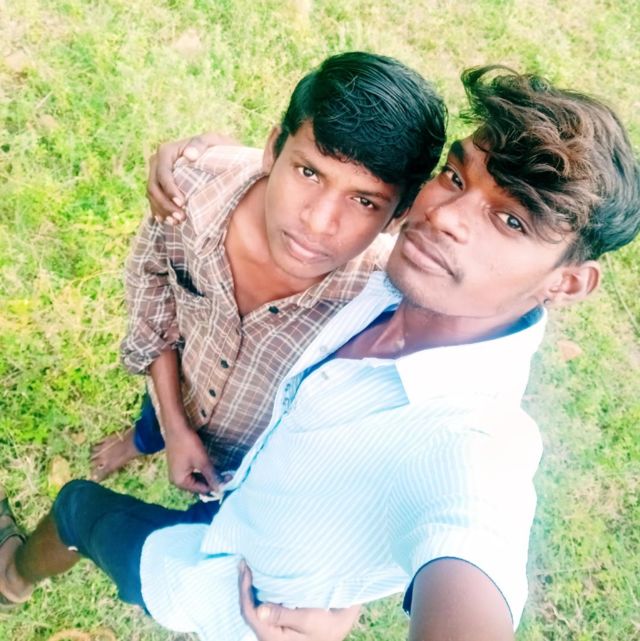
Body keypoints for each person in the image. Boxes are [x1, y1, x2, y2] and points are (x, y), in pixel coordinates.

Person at [1, 66, 639, 641]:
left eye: (513, 221)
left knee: (77, 509)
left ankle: (10, 578)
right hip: (232, 476)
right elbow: (317, 172)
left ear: (567, 284)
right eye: (455, 177)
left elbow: (472, 547)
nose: (447, 216)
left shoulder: (474, 441)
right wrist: (198, 157)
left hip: (213, 587)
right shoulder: (401, 279)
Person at [89, 51, 446, 492]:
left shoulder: (383, 300)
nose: (318, 222)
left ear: (399, 214)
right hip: (177, 388)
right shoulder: (189, 193)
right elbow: (152, 287)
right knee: (153, 424)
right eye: (309, 172)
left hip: (255, 453)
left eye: (363, 201)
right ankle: (141, 441)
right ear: (273, 149)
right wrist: (174, 428)